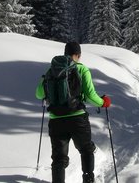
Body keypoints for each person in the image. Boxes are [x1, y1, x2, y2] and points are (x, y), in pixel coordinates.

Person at [35, 42, 111, 183]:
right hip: (77, 119)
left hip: (56, 120)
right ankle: (88, 180)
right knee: (86, 149)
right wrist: (103, 102)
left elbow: (39, 94)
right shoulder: (82, 69)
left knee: (58, 158)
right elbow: (90, 96)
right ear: (78, 55)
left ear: (65, 54)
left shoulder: (50, 71)